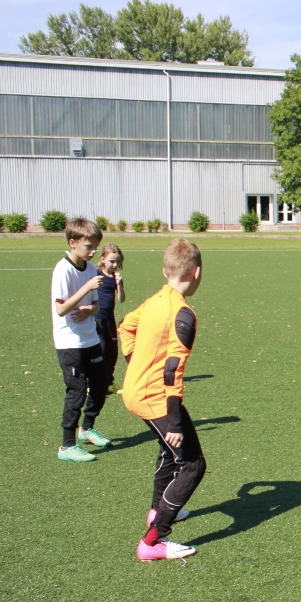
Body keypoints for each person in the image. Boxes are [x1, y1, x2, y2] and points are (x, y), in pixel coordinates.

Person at [120, 238, 206, 561]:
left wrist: (134, 365)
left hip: (139, 392)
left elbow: (124, 328)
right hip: (156, 399)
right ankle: (153, 541)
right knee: (193, 465)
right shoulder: (183, 314)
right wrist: (173, 420)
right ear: (196, 272)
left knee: (170, 453)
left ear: (166, 270)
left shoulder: (155, 300)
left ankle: (157, 512)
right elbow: (173, 370)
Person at [51, 217, 111, 462]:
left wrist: (90, 309)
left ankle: (86, 429)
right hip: (69, 342)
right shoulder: (63, 269)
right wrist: (86, 289)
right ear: (73, 243)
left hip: (89, 338)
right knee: (76, 391)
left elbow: (95, 306)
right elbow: (61, 309)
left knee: (101, 384)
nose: (93, 251)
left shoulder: (90, 268)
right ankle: (66, 446)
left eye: (95, 246)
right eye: (89, 246)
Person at [95, 243, 125, 392]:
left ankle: (108, 382)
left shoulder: (115, 277)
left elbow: (121, 299)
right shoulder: (96, 275)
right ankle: (94, 383)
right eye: (112, 261)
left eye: (117, 261)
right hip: (97, 318)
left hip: (109, 319)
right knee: (102, 349)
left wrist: (119, 285)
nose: (115, 264)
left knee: (112, 351)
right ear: (102, 259)